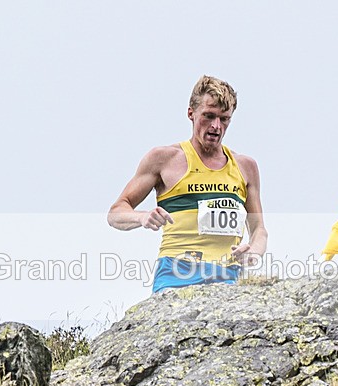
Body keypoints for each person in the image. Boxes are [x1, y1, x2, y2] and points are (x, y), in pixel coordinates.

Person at [108, 75, 268, 292]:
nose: (216, 126)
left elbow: (259, 229)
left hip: (227, 276)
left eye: (224, 119)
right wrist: (142, 217)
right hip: (175, 274)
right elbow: (116, 213)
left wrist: (254, 252)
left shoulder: (245, 166)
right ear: (191, 113)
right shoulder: (164, 159)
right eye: (208, 116)